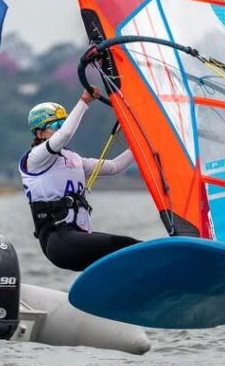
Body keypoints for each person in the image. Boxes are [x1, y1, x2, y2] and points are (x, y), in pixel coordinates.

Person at [20, 88, 139, 272]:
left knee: (129, 255)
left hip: (78, 238)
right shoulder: (35, 159)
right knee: (128, 246)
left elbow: (115, 166)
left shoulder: (73, 159)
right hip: (58, 241)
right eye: (57, 125)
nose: (62, 128)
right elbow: (66, 134)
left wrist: (139, 143)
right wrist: (84, 101)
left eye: (64, 123)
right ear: (40, 133)